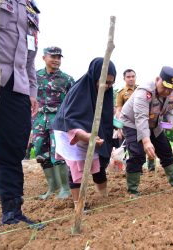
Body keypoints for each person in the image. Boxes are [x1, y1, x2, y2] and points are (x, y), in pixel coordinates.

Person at [0, 0, 43, 227]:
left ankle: (12, 213)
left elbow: (30, 59)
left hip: (16, 88)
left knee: (12, 150)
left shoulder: (32, 9)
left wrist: (32, 91)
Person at [52, 58, 116, 208]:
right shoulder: (79, 91)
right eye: (104, 82)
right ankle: (79, 205)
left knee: (100, 164)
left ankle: (104, 197)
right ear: (94, 76)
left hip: (92, 135)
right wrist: (87, 137)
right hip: (70, 133)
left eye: (110, 83)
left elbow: (105, 120)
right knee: (77, 167)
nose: (107, 86)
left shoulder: (106, 92)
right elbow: (71, 120)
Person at [120, 66, 173, 196]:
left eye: (170, 88)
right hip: (132, 123)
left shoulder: (171, 93)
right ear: (157, 79)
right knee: (137, 154)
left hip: (154, 123)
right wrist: (146, 141)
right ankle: (133, 190)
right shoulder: (144, 92)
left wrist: (170, 121)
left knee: (165, 149)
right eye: (164, 87)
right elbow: (140, 117)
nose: (167, 91)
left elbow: (170, 110)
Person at [32, 47, 75, 199]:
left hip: (58, 121)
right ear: (44, 57)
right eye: (53, 56)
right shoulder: (34, 76)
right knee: (41, 153)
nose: (56, 60)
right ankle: (52, 188)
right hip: (38, 121)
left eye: (59, 57)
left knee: (58, 153)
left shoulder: (67, 79)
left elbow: (73, 103)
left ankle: (65, 188)